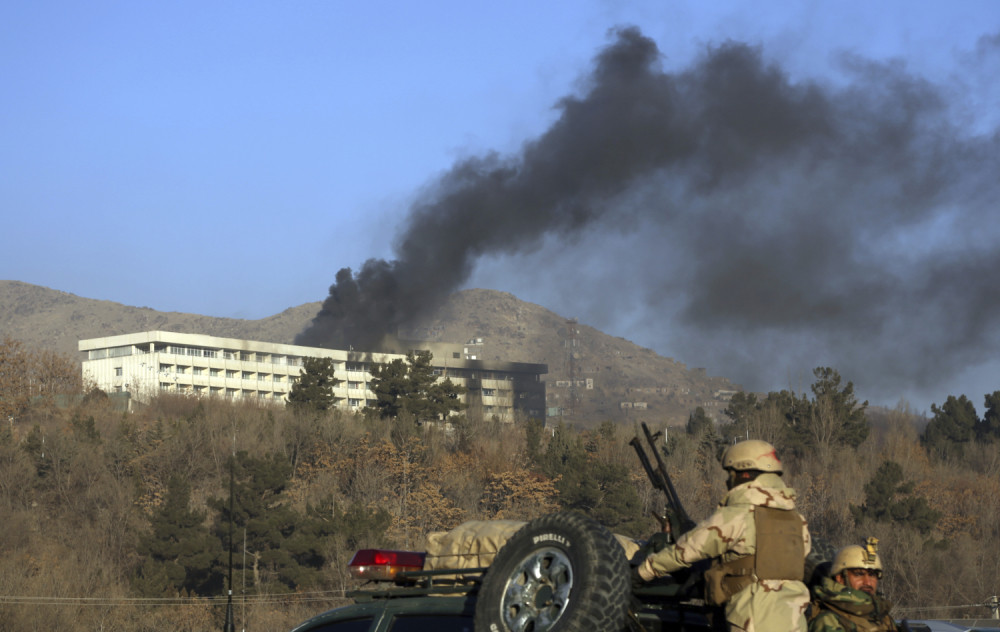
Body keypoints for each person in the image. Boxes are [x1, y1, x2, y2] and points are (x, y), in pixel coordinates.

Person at [633, 439, 812, 631]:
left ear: (743, 473)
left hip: (752, 620)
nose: (728, 480)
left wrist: (641, 572)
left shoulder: (737, 516)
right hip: (794, 622)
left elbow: (685, 551)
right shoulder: (797, 521)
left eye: (730, 473)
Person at [809, 539, 898, 632]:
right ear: (840, 578)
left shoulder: (883, 617)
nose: (867, 582)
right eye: (859, 574)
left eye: (872, 575)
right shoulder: (829, 620)